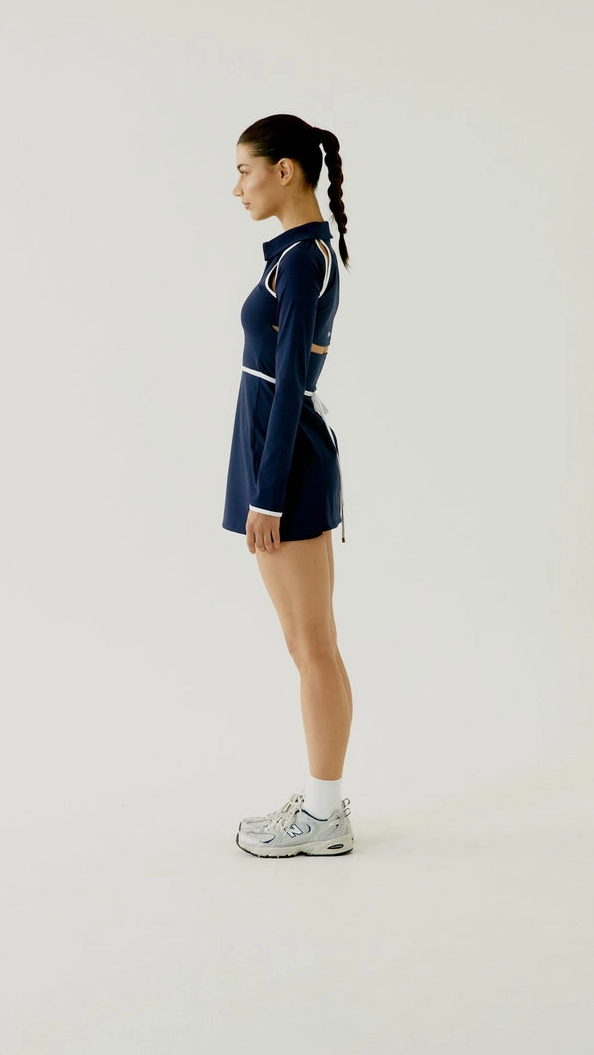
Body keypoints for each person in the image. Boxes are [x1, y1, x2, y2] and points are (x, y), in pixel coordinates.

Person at [223, 113, 355, 858]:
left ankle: (324, 814)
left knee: (313, 646)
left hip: (288, 465)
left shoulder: (303, 259)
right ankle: (320, 803)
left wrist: (268, 496)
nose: (236, 186)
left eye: (245, 170)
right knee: (308, 644)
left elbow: (290, 384)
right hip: (277, 458)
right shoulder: (294, 253)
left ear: (286, 171)